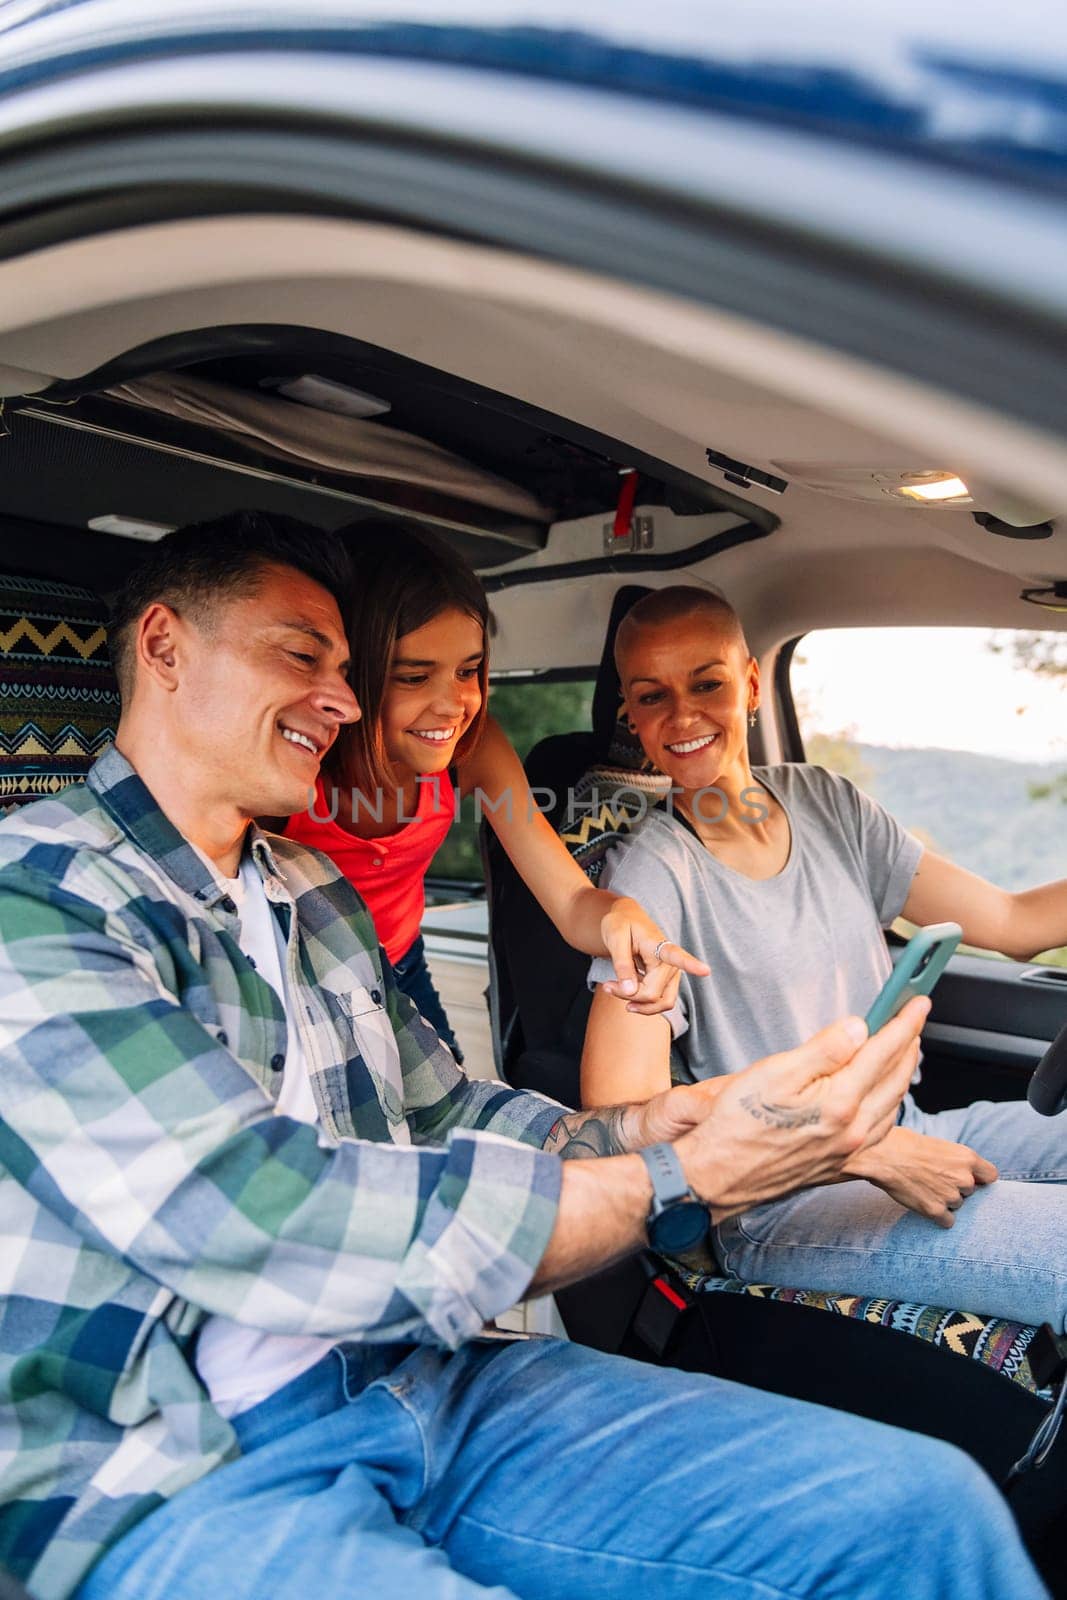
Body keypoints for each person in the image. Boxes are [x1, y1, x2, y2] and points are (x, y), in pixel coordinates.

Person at [0, 513, 1044, 1600]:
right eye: (302, 656)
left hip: (421, 1376)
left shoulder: (312, 898)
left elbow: (447, 1114)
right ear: (164, 647)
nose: (347, 701)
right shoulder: (39, 899)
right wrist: (683, 1175)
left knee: (920, 1511)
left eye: (349, 670)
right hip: (177, 1458)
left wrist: (671, 1119)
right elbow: (267, 1215)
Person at [582, 584, 1067, 1330]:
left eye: (705, 683)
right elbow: (615, 1112)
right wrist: (855, 1151)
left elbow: (1009, 920)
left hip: (909, 1130)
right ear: (630, 715)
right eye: (652, 697)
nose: (681, 718)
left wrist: (884, 1142)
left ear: (748, 683)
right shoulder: (650, 874)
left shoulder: (824, 803)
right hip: (778, 1200)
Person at [284, 518, 707, 1062]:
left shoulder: (474, 749)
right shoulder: (296, 766)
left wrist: (619, 915)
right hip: (295, 975)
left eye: (469, 670)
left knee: (447, 1111)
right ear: (350, 670)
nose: (452, 704)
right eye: (414, 677)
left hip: (398, 966)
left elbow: (571, 897)